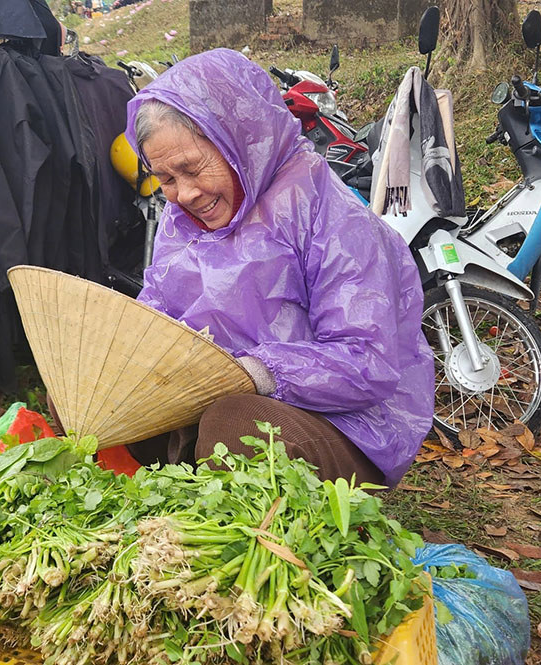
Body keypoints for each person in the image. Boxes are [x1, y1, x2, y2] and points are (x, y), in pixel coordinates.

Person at [56, 49, 434, 487]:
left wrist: (257, 373)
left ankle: (258, 527)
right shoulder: (182, 223)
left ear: (243, 141)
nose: (185, 193)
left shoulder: (333, 219)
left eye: (193, 169)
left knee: (236, 424)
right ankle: (155, 504)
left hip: (341, 427)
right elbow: (156, 316)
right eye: (167, 179)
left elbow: (367, 362)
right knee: (77, 391)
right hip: (209, 409)